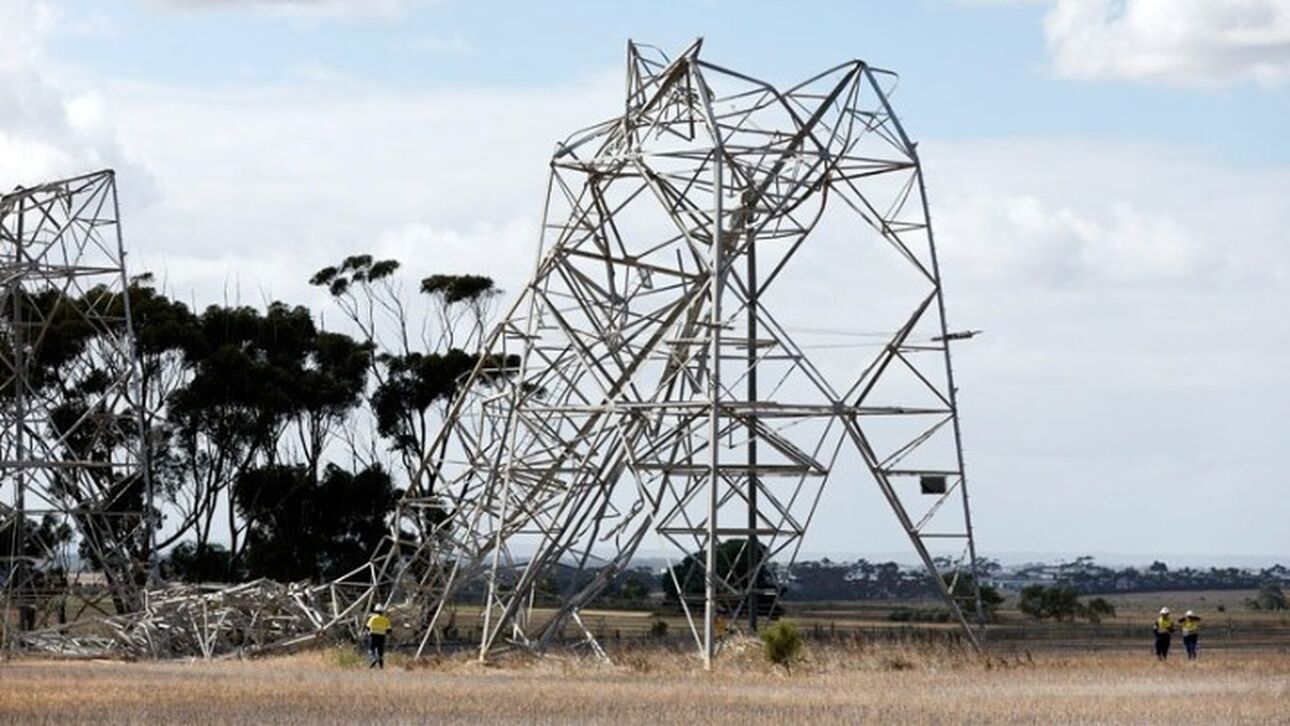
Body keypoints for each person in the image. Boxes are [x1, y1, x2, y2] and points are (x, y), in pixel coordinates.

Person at [366, 603, 391, 669]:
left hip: (373, 636)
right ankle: (381, 666)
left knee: (371, 650)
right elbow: (389, 630)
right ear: (382, 612)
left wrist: (368, 633)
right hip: (382, 637)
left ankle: (373, 659)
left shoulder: (373, 618)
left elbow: (368, 627)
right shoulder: (385, 620)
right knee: (380, 651)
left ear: (375, 611)